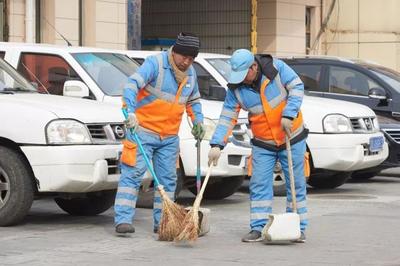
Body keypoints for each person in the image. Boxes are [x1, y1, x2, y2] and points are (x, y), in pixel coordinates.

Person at [208, 49, 308, 243]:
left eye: (244, 74)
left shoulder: (277, 69)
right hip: (263, 143)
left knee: (296, 184)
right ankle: (258, 228)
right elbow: (228, 116)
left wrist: (289, 113)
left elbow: (297, 87)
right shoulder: (236, 87)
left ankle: (298, 227)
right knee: (259, 185)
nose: (242, 80)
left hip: (291, 136)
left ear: (254, 67)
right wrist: (216, 144)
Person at [114, 32, 205, 234]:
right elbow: (131, 86)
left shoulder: (190, 73)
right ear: (175, 52)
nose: (187, 62)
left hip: (169, 136)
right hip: (142, 130)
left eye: (191, 59)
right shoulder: (154, 64)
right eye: (184, 57)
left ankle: (164, 222)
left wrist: (198, 121)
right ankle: (123, 221)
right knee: (132, 176)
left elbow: (193, 100)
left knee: (167, 181)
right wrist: (129, 112)